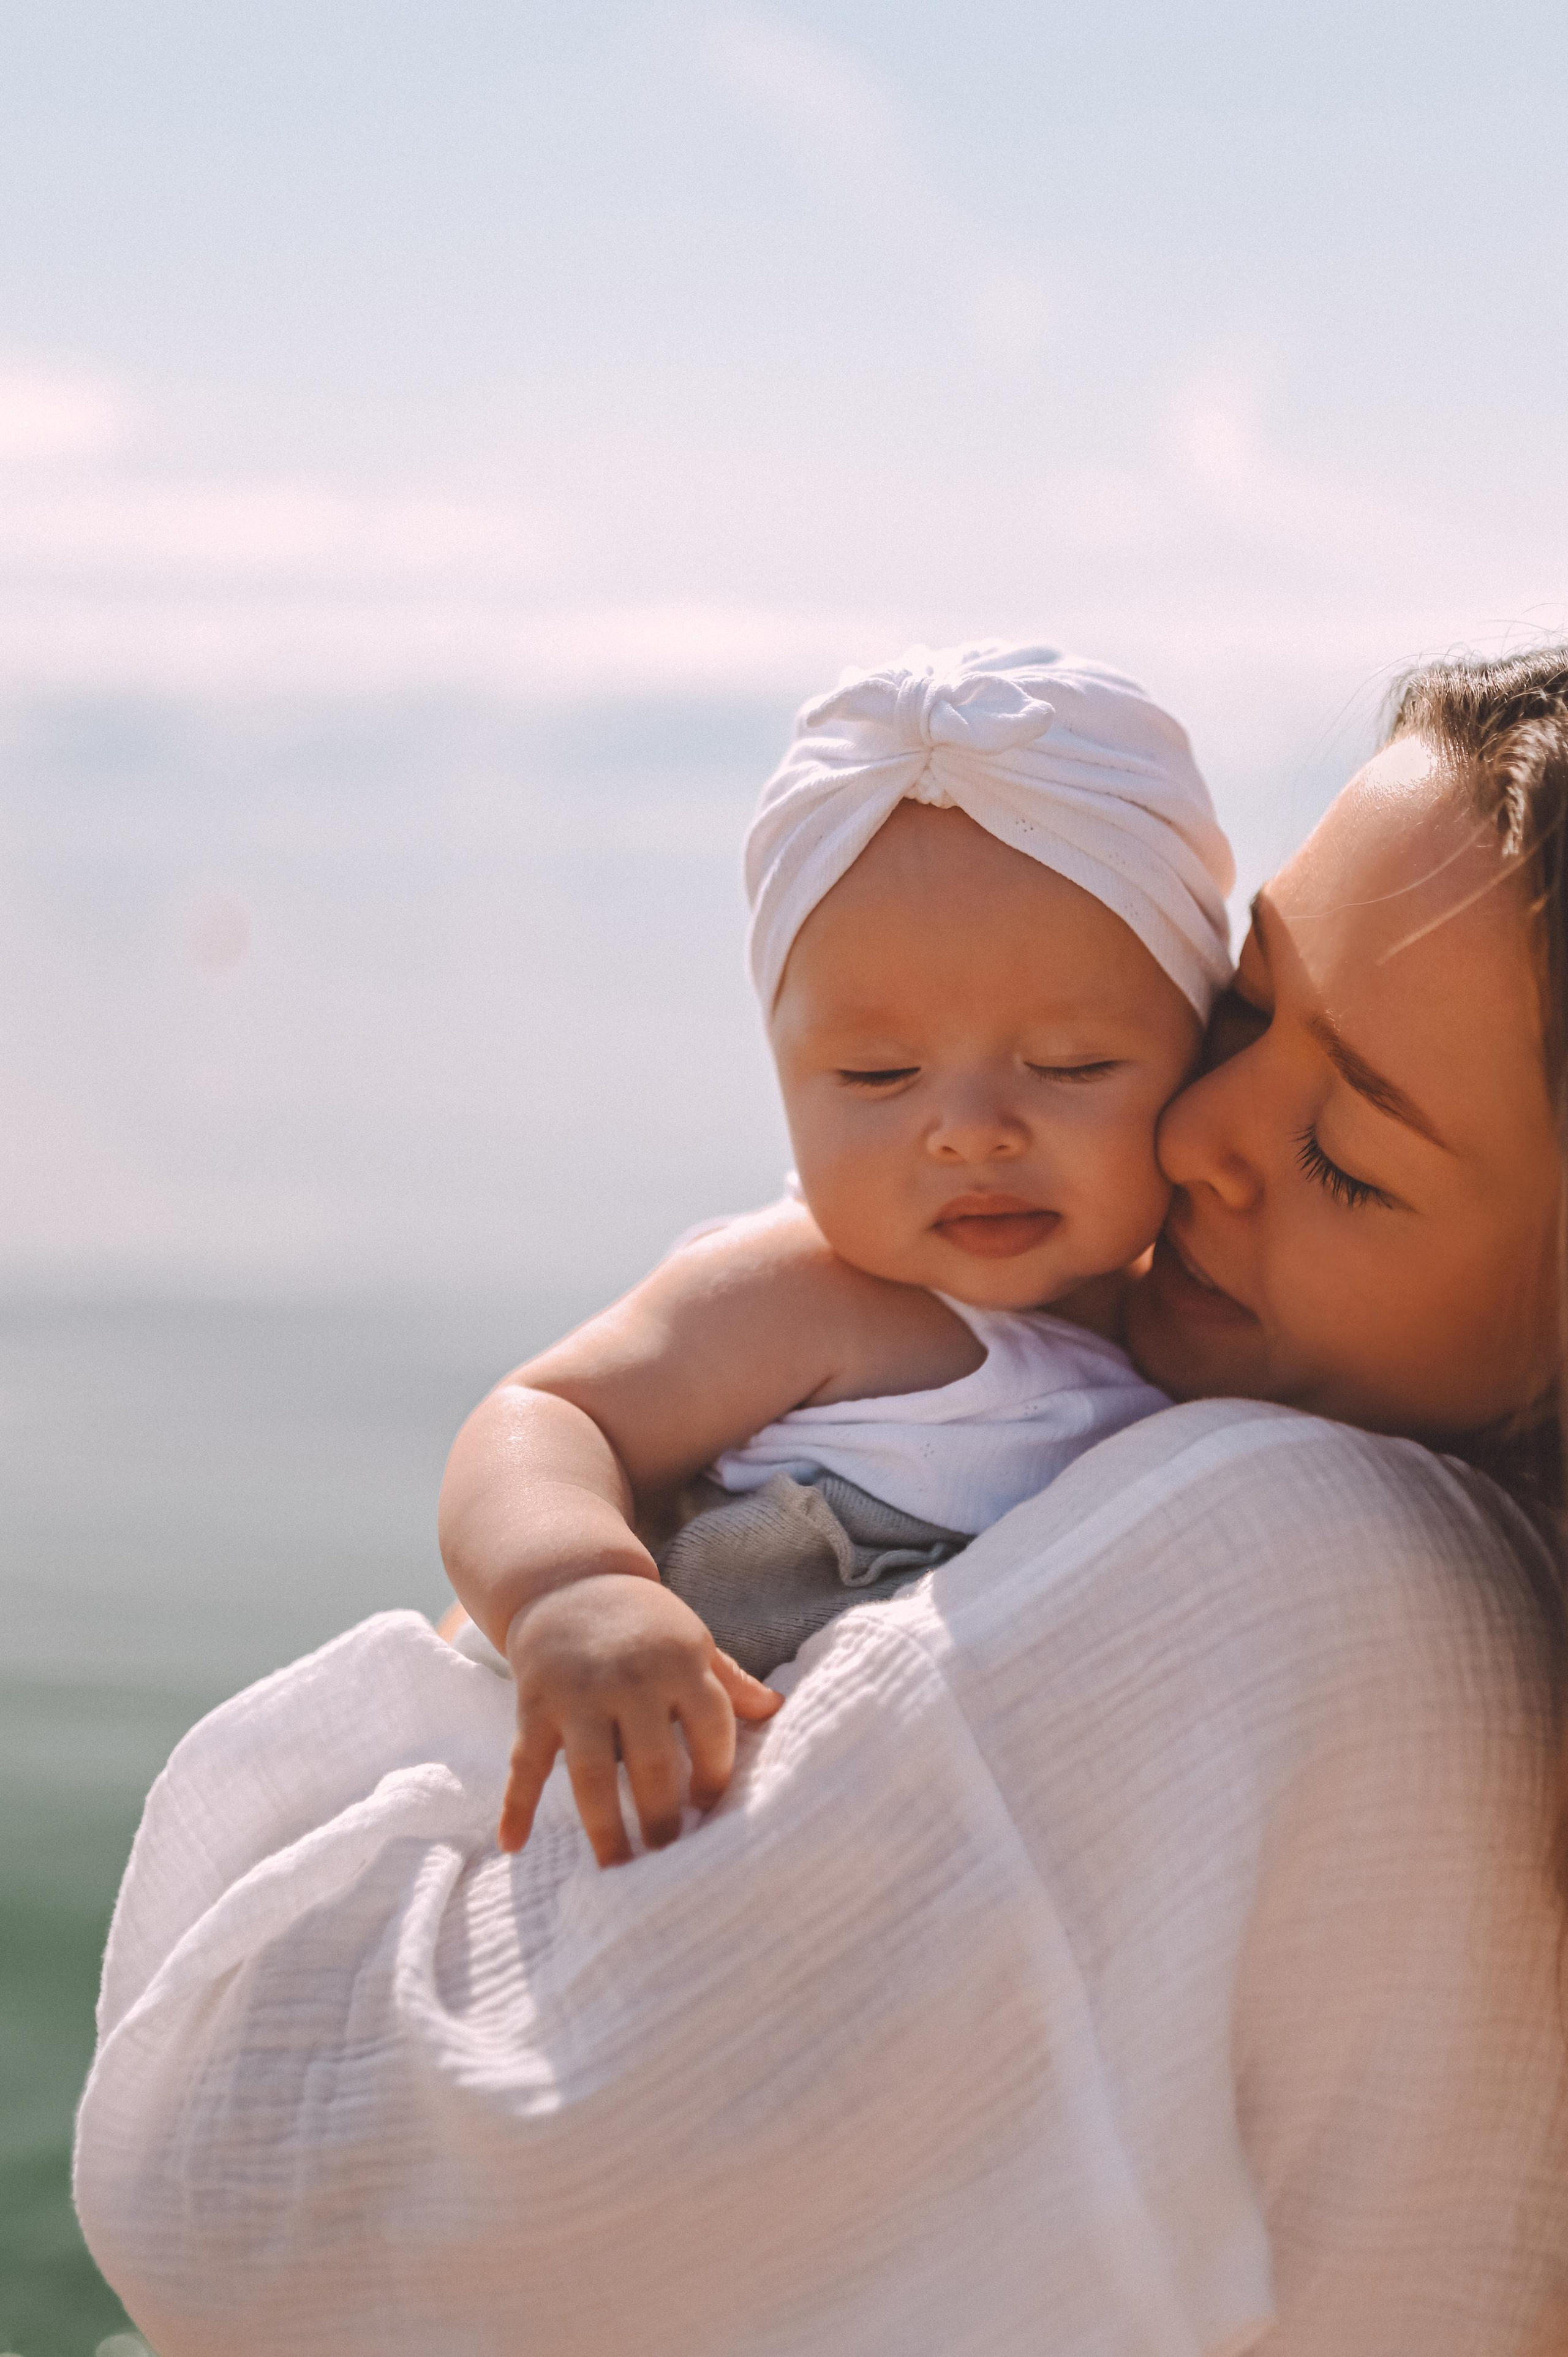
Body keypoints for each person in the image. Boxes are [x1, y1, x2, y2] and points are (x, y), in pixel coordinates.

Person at [74, 649, 1568, 2355]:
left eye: (1347, 1160)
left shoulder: (1286, 1560)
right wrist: (570, 1589)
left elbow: (233, 2190)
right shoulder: (859, 1306)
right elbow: (553, 1417)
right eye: (1246, 1011)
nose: (1206, 1125)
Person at [439, 642, 1234, 1863]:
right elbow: (544, 1412)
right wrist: (575, 1588)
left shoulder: (1195, 1340)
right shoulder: (806, 1292)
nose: (970, 1131)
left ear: (1200, 1046)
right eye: (875, 1074)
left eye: (1071, 1063)